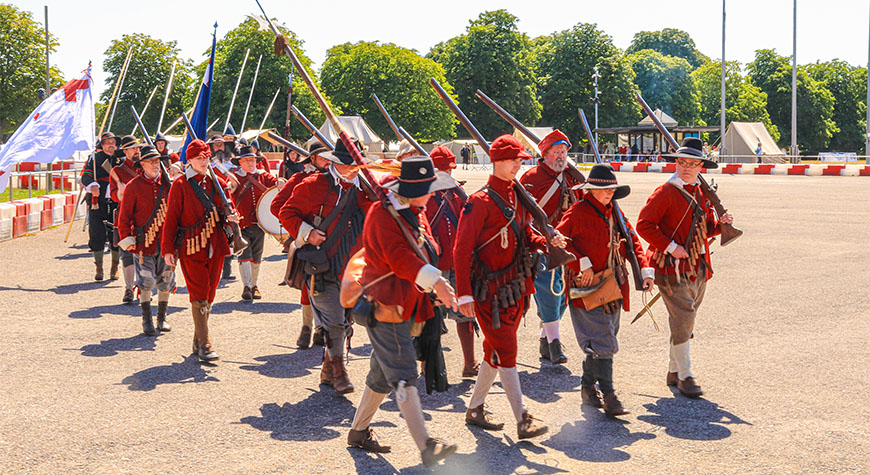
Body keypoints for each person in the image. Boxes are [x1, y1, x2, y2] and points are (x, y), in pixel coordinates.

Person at [345, 155, 459, 467]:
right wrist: (437, 283)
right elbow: (398, 259)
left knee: (383, 374)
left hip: (410, 301)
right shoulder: (383, 215)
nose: (433, 193)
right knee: (405, 374)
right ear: (411, 189)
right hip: (386, 305)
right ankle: (426, 446)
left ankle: (358, 432)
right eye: (428, 188)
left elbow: (426, 249)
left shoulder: (412, 210)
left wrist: (435, 282)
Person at [454, 134, 566, 440]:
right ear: (498, 161)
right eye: (514, 159)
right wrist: (463, 294)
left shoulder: (516, 195)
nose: (519, 163)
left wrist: (547, 241)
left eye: (520, 159)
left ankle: (475, 408)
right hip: (488, 291)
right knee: (507, 350)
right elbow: (461, 251)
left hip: (515, 286)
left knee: (494, 350)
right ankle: (522, 417)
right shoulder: (478, 202)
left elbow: (525, 234)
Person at [636, 137, 734, 398]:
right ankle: (686, 375)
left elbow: (706, 229)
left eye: (692, 163)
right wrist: (670, 247)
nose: (686, 167)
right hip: (671, 267)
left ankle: (673, 370)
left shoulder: (701, 193)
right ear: (676, 163)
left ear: (701, 166)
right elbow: (643, 225)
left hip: (698, 266)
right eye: (682, 162)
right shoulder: (665, 192)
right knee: (685, 318)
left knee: (684, 322)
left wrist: (722, 223)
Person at [556, 164, 654, 416]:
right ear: (590, 190)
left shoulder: (616, 213)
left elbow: (633, 242)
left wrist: (644, 269)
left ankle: (588, 387)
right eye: (603, 189)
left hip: (614, 285)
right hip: (587, 285)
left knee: (603, 340)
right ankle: (610, 395)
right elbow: (557, 241)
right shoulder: (578, 212)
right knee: (604, 342)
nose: (609, 193)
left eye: (611, 189)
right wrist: (581, 261)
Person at [279, 138, 374, 394]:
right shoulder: (314, 185)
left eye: (355, 164)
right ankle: (341, 372)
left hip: (352, 267)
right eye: (347, 164)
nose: (351, 168)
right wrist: (307, 233)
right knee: (334, 322)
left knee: (345, 320)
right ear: (335, 162)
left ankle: (327, 371)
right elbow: (285, 212)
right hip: (321, 264)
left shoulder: (365, 189)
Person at [161, 139, 239, 362]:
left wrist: (231, 217)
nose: (204, 162)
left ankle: (198, 339)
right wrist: (168, 248)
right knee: (199, 292)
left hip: (216, 242)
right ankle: (205, 344)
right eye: (199, 158)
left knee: (211, 293)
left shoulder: (218, 181)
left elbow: (228, 208)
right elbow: (171, 219)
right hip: (191, 244)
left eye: (206, 157)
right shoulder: (180, 185)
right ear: (190, 160)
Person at [518, 130, 581, 364]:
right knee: (549, 293)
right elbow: (521, 212)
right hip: (540, 244)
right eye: (555, 152)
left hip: (569, 243)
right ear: (544, 154)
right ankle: (554, 344)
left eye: (563, 152)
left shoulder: (572, 178)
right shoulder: (530, 177)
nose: (560, 157)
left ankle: (546, 337)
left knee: (564, 295)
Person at [270, 142, 331, 349]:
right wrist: (303, 229)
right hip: (307, 241)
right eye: (323, 157)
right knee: (309, 287)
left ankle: (324, 328)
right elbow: (277, 207)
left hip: (332, 240)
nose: (328, 161)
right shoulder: (299, 179)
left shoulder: (336, 179)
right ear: (312, 158)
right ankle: (308, 328)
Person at [425, 146, 477, 377]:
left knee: (465, 313)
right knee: (430, 317)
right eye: (443, 170)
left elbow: (471, 221)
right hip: (434, 264)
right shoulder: (424, 196)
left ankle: (470, 363)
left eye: (449, 170)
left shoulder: (457, 195)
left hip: (457, 261)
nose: (448, 174)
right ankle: (429, 365)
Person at [118, 145, 175, 336]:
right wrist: (127, 238)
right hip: (144, 242)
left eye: (157, 161)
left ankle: (162, 317)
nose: (155, 165)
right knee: (146, 281)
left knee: (166, 281)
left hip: (167, 242)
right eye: (150, 161)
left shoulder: (169, 184)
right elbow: (124, 216)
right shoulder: (134, 186)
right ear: (142, 164)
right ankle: (147, 319)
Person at [229, 145, 280, 300]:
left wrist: (282, 181)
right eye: (246, 160)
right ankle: (246, 286)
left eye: (252, 160)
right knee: (244, 255)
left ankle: (254, 285)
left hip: (259, 223)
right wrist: (230, 187)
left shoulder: (263, 176)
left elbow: (277, 184)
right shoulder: (234, 177)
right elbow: (227, 192)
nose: (250, 163)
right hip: (241, 223)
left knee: (257, 256)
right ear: (241, 162)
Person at [81, 132, 122, 281]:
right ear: (102, 145)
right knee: (97, 234)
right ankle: (99, 268)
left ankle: (114, 268)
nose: (111, 145)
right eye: (107, 142)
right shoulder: (94, 159)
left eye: (113, 142)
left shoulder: (120, 159)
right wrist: (92, 184)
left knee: (115, 235)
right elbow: (85, 176)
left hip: (117, 202)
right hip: (97, 203)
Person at [112, 135, 145, 303]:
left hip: (144, 216)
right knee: (126, 255)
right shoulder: (117, 171)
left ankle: (144, 288)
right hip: (125, 216)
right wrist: (120, 192)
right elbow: (113, 195)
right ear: (125, 151)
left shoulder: (145, 168)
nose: (137, 151)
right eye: (133, 148)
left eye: (138, 148)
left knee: (144, 253)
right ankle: (128, 288)